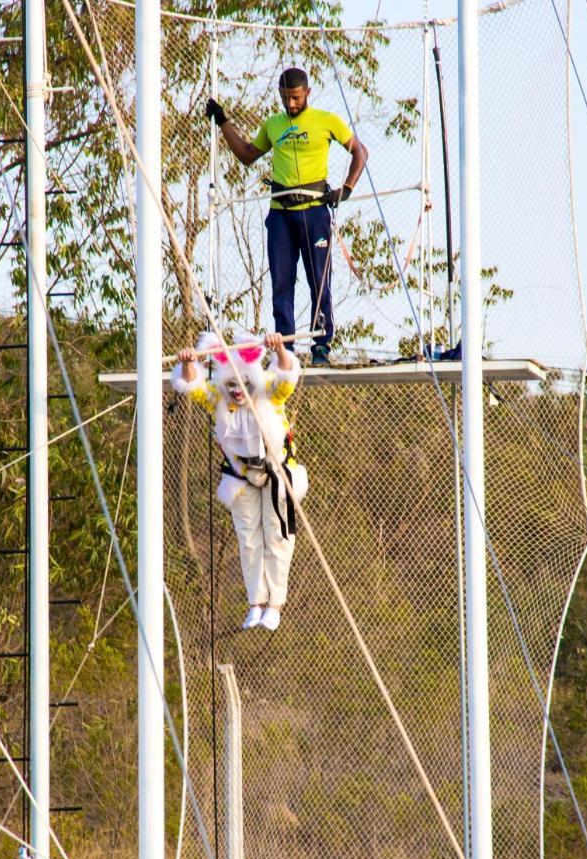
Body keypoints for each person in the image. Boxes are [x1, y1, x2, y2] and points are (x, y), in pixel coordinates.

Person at [206, 68, 368, 366]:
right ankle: (287, 350)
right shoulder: (273, 124)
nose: (290, 105)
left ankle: (321, 346)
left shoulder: (326, 120)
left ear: (307, 92)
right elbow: (245, 155)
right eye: (285, 99)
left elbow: (360, 152)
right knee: (281, 282)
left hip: (314, 211)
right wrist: (223, 121)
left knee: (319, 280)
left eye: (295, 98)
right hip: (281, 214)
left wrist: (345, 189)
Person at [171, 331, 308, 632]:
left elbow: (287, 377)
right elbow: (193, 387)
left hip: (275, 473)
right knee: (248, 541)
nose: (236, 391)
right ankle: (256, 602)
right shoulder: (218, 399)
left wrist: (280, 350)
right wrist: (187, 364)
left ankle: (275, 603)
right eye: (231, 384)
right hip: (242, 476)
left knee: (277, 536)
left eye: (243, 384)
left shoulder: (269, 393)